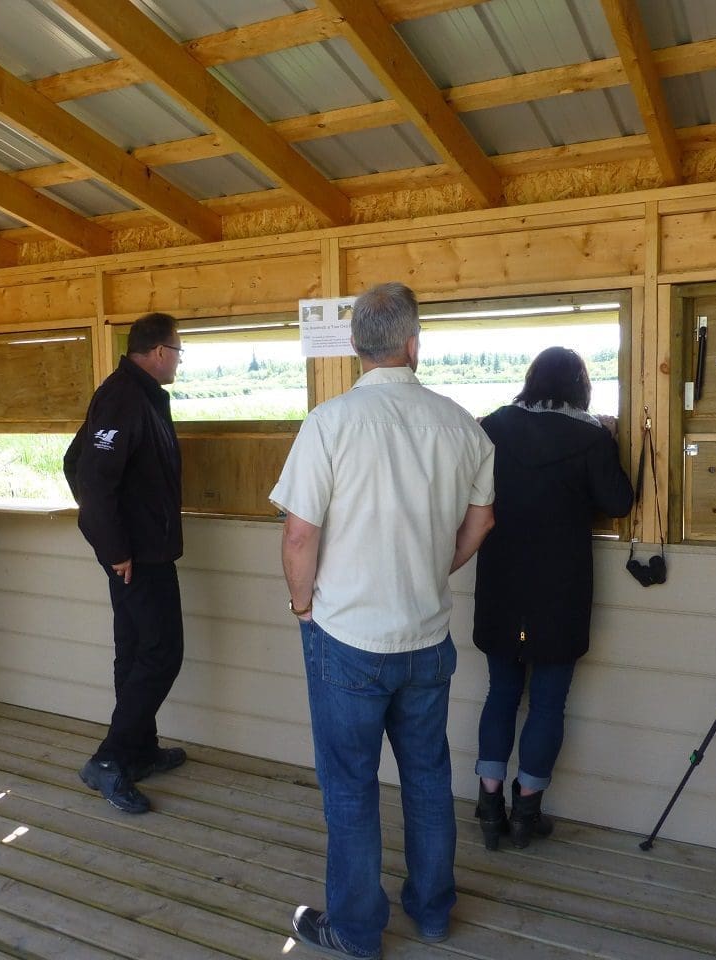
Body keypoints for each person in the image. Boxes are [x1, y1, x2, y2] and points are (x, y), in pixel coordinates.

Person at [270, 282, 495, 959]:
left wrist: (303, 608)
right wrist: (433, 569)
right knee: (427, 777)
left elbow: (299, 537)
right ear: (413, 345)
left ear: (355, 347)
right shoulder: (463, 425)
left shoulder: (329, 423)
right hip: (427, 637)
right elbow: (482, 520)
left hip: (345, 640)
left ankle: (357, 932)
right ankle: (431, 912)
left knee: (350, 786)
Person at [471, 346, 633, 850]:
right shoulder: (589, 436)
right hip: (560, 589)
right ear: (580, 387)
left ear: (531, 379)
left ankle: (488, 804)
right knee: (547, 704)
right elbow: (618, 502)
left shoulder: (494, 426)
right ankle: (526, 812)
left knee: (500, 694)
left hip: (502, 579)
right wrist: (610, 439)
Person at [64, 312, 188, 815]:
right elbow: (90, 475)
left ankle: (139, 749)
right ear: (159, 351)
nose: (180, 360)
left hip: (141, 551)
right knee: (161, 653)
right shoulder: (123, 396)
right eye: (179, 351)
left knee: (136, 650)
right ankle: (111, 760)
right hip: (136, 557)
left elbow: (76, 461)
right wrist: (116, 549)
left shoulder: (137, 394)